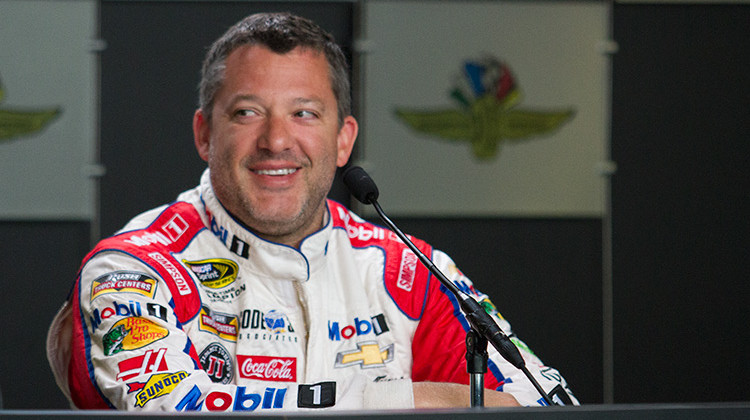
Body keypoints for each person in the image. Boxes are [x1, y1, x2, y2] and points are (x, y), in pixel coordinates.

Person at [46, 12, 576, 411]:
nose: (277, 140)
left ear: (343, 141)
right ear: (205, 135)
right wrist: (408, 402)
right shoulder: (132, 269)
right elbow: (179, 409)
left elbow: (546, 404)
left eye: (304, 113)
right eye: (248, 112)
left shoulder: (408, 271)